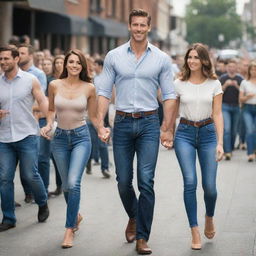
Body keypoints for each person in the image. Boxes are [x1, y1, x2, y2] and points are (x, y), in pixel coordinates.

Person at [96, 9, 176, 255]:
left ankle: (143, 236)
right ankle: (133, 215)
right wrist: (100, 123)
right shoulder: (114, 56)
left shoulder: (161, 59)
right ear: (129, 26)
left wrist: (166, 127)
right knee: (122, 181)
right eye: (135, 25)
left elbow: (170, 96)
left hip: (149, 123)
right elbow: (103, 92)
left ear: (148, 27)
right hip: (121, 123)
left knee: (146, 181)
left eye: (143, 25)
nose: (139, 29)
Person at [41, 49, 97, 248]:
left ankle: (69, 229)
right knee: (66, 186)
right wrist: (48, 125)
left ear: (83, 66)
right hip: (60, 139)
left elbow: (95, 115)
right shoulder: (54, 85)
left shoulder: (89, 88)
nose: (74, 65)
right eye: (71, 62)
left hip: (81, 138)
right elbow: (50, 110)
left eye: (78, 62)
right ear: (65, 64)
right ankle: (76, 216)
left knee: (73, 183)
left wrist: (102, 130)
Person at [174, 43, 224, 250]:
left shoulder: (214, 84)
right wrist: (166, 130)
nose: (192, 61)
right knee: (190, 182)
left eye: (196, 57)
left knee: (210, 188)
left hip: (208, 134)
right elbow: (171, 110)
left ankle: (209, 216)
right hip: (184, 133)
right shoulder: (178, 83)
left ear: (205, 60)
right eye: (189, 57)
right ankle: (194, 229)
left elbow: (217, 114)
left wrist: (220, 142)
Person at [0, 46, 49, 232]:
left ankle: (42, 202)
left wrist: (50, 121)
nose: (3, 62)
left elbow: (42, 101)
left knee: (30, 175)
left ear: (15, 59)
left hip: (27, 134)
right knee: (4, 178)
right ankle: (9, 217)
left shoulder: (30, 80)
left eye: (6, 58)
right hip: (4, 137)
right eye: (1, 59)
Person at [18, 43, 49, 202]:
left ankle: (42, 191)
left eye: (22, 53)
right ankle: (28, 192)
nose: (20, 55)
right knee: (22, 167)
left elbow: (40, 101)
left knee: (40, 159)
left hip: (36, 121)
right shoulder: (11, 74)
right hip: (15, 124)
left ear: (30, 55)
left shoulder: (38, 74)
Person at [219, 59, 243, 160]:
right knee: (227, 129)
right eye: (229, 66)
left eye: (233, 66)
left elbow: (244, 92)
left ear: (236, 67)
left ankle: (231, 148)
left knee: (234, 131)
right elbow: (218, 92)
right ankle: (227, 151)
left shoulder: (240, 79)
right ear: (227, 67)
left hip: (237, 106)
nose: (231, 68)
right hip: (225, 106)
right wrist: (226, 85)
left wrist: (237, 86)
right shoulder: (223, 78)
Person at [239, 61, 256, 162]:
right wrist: (247, 97)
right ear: (249, 70)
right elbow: (241, 99)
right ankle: (250, 153)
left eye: (255, 69)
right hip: (247, 109)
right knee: (250, 130)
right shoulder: (244, 82)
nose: (254, 71)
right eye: (252, 69)